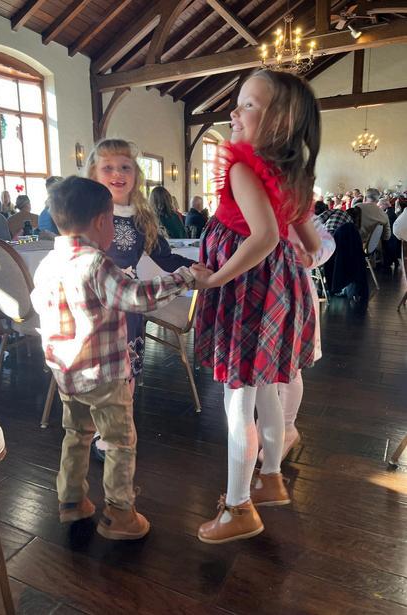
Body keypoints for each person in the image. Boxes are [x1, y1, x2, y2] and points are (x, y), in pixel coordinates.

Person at [30, 176, 210, 539]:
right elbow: (135, 296)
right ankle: (119, 513)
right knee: (119, 441)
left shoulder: (48, 263)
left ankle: (71, 501)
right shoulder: (96, 263)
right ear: (101, 221)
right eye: (112, 220)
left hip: (66, 372)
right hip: (104, 375)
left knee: (76, 433)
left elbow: (40, 306)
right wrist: (186, 277)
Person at [194, 68, 321, 544]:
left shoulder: (243, 168)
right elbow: (308, 242)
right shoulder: (292, 176)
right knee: (265, 389)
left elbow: (265, 236)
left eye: (248, 104)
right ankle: (270, 478)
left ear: (280, 122)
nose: (234, 111)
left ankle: (239, 506)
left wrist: (214, 278)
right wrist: (302, 253)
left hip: (246, 293)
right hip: (275, 292)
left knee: (238, 401)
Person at [86, 138, 195, 461]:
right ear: (93, 173)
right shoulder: (85, 215)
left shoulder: (141, 219)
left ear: (136, 174)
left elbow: (165, 258)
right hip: (95, 307)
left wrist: (196, 268)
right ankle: (102, 431)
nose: (117, 174)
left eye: (125, 167)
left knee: (128, 369)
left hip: (129, 308)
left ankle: (120, 426)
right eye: (108, 167)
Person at [258, 217, 335, 462]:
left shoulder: (299, 209)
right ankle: (268, 421)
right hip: (259, 291)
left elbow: (327, 241)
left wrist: (310, 258)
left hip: (294, 292)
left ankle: (287, 427)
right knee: (264, 362)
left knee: (291, 366)